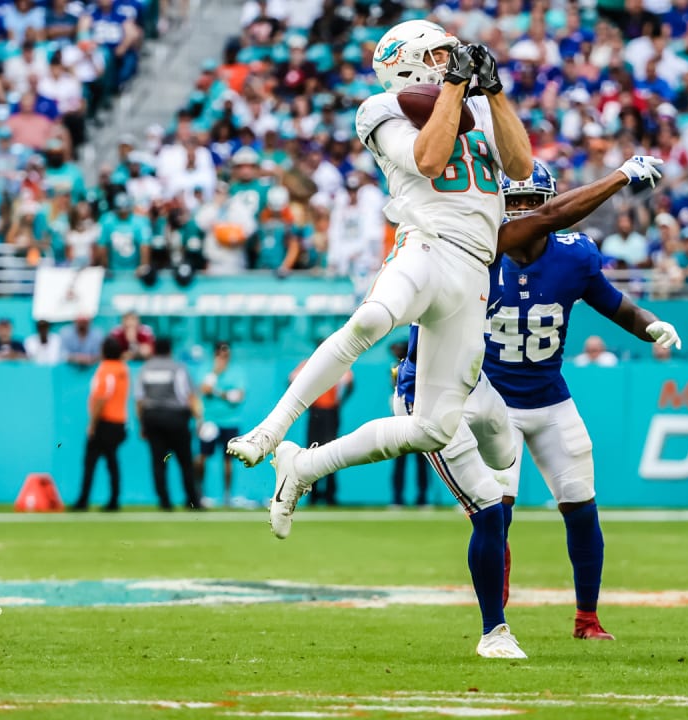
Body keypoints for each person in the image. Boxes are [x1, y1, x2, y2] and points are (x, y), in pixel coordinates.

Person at [227, 24, 534, 553]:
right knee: (372, 318)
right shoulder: (380, 108)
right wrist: (458, 87)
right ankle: (270, 430)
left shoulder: (476, 104)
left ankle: (303, 466)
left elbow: (522, 167)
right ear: (407, 63)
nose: (449, 60)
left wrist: (495, 92)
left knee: (434, 429)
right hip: (428, 242)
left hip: (475, 270)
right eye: (438, 54)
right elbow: (431, 160)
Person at [395, 156, 669, 654]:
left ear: (549, 206)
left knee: (582, 506)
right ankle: (495, 624)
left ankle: (587, 617)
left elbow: (613, 302)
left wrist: (649, 325)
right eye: (512, 203)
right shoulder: (479, 254)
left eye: (531, 204)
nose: (520, 213)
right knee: (494, 513)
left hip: (549, 398)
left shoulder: (574, 256)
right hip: (491, 403)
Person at [135, 337, 202, 510]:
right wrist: (199, 419)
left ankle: (164, 501)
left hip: (153, 419)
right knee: (185, 462)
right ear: (170, 350)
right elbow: (188, 395)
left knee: (158, 462)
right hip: (176, 419)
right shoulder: (178, 368)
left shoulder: (146, 369)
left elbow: (140, 400)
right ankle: (192, 500)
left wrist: (142, 424)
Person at [73, 337, 129, 511]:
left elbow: (101, 397)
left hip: (105, 422)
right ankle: (114, 499)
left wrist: (92, 423)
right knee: (112, 462)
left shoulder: (106, 370)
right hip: (119, 421)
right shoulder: (122, 369)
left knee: (90, 462)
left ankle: (83, 501)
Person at [290, 354, 353, 506]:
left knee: (331, 451)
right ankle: (313, 494)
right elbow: (291, 380)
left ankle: (330, 494)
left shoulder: (339, 363)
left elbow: (350, 383)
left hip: (331, 411)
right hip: (316, 411)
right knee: (312, 451)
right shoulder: (308, 363)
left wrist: (340, 401)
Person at [194, 341, 246, 508]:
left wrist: (217, 392)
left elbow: (237, 396)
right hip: (210, 421)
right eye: (221, 355)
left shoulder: (236, 372)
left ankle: (227, 496)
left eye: (226, 355)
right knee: (202, 457)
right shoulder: (206, 370)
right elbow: (203, 389)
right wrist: (215, 375)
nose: (224, 359)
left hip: (230, 422)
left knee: (228, 460)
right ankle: (200, 493)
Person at [388, 341, 429, 508]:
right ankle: (397, 497)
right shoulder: (397, 368)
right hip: (401, 420)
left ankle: (422, 497)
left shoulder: (418, 367)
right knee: (400, 462)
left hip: (417, 418)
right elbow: (396, 386)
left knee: (422, 461)